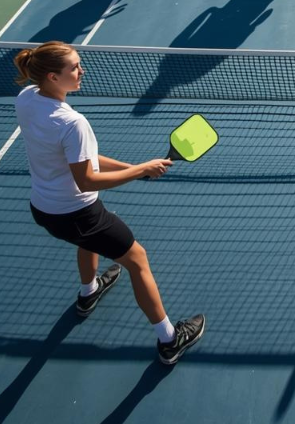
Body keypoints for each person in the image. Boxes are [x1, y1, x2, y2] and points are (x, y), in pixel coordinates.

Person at [13, 41, 206, 365]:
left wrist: (134, 168)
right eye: (74, 67)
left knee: (87, 240)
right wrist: (140, 171)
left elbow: (79, 159)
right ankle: (169, 340)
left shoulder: (27, 99)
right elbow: (86, 179)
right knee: (138, 260)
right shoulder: (73, 123)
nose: (81, 70)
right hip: (79, 213)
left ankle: (88, 293)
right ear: (52, 76)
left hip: (44, 209)